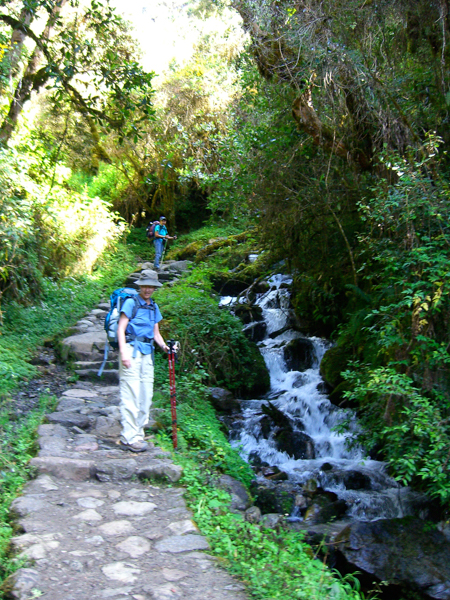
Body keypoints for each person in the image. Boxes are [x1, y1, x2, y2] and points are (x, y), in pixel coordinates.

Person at [117, 269, 169, 452]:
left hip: (148, 352)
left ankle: (138, 433)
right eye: (145, 286)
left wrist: (165, 347)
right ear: (139, 286)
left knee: (146, 395)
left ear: (155, 288)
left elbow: (156, 334)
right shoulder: (131, 303)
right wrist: (123, 352)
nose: (148, 289)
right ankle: (128, 437)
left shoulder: (154, 306)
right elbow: (121, 328)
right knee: (131, 393)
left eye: (151, 286)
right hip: (131, 349)